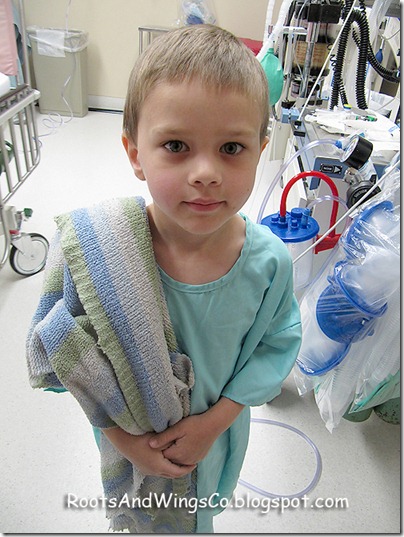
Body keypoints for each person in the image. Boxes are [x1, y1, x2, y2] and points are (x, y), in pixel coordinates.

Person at [27, 24, 301, 533]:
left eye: (231, 148)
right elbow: (70, 357)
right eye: (176, 145)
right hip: (128, 442)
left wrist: (212, 424)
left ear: (261, 150)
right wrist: (125, 442)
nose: (205, 172)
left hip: (213, 444)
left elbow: (275, 345)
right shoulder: (101, 253)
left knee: (195, 518)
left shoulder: (268, 264)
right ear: (135, 153)